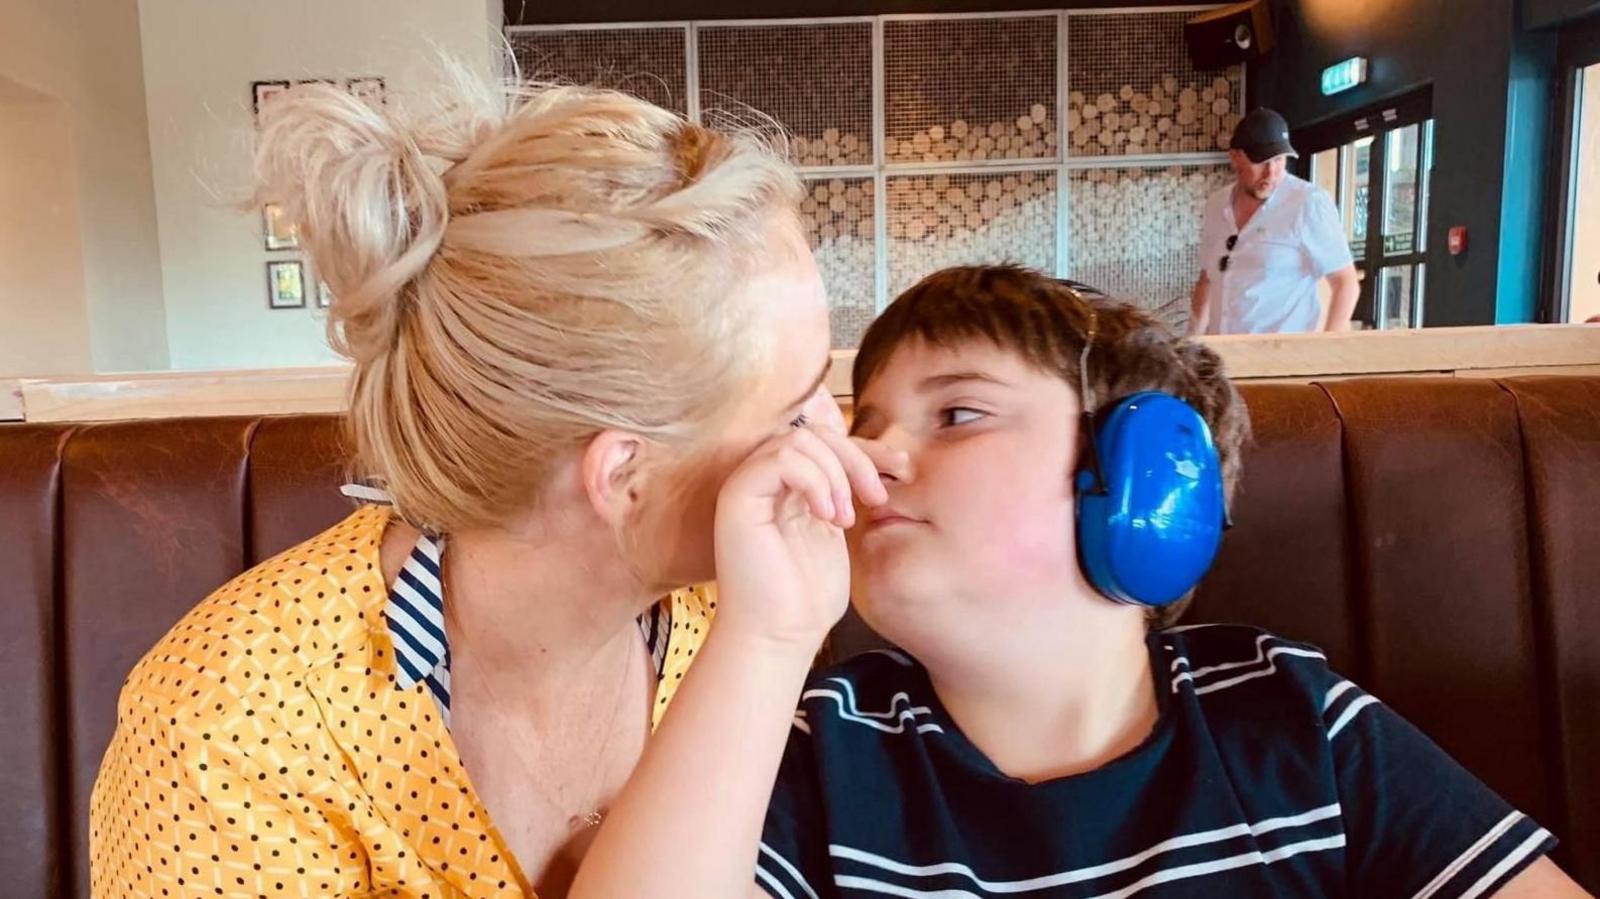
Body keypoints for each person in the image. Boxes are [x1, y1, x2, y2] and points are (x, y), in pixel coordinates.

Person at [87, 70, 896, 898]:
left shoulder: (722, 610)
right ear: (622, 474)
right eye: (798, 415)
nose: (841, 442)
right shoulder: (229, 733)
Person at [571, 266, 1590, 898]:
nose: (870, 459)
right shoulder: (829, 750)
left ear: (1149, 483)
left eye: (957, 414)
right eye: (864, 422)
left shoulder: (1289, 719)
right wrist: (766, 634)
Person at [1190, 107, 1361, 335]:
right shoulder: (1216, 204)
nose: (1271, 173)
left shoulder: (1308, 203)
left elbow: (1345, 283)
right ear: (1236, 158)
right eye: (1261, 162)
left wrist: (1325, 355)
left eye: (1279, 160)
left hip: (1282, 358)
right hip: (1222, 356)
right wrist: (1190, 343)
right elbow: (1207, 280)